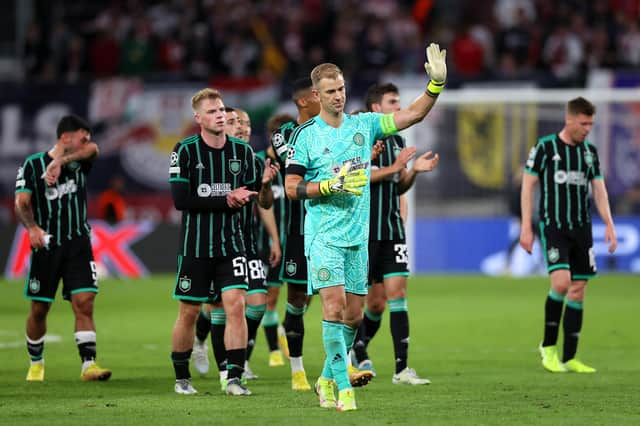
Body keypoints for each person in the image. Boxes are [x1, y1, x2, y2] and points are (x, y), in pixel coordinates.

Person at [285, 43, 447, 411]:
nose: (339, 96)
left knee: (354, 316)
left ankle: (325, 379)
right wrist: (328, 186)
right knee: (333, 306)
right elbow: (291, 187)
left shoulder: (364, 125)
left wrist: (435, 86)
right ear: (316, 95)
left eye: (341, 88)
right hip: (324, 234)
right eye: (330, 91)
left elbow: (412, 116)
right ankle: (344, 390)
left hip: (359, 236)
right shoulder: (306, 136)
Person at [169, 88, 278, 396]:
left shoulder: (243, 154)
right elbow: (181, 200)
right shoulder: (185, 151)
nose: (220, 115)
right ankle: (181, 378)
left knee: (236, 307)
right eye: (213, 112)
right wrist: (226, 199)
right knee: (189, 312)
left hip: (232, 245)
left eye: (221, 111)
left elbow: (262, 200)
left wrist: (266, 186)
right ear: (199, 118)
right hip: (196, 246)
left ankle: (233, 378)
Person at [520, 96, 617, 374]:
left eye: (591, 124)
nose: (587, 129)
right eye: (584, 123)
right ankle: (548, 347)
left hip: (582, 229)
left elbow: (599, 189)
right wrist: (526, 226)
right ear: (570, 119)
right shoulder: (545, 147)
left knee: (578, 289)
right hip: (554, 226)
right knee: (561, 284)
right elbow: (528, 186)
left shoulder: (590, 153)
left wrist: (609, 223)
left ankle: (570, 356)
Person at [350, 82, 439, 385]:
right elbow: (356, 178)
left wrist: (413, 171)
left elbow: (398, 185)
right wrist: (395, 169)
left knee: (395, 295)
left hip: (391, 228)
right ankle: (356, 350)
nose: (398, 108)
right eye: (393, 103)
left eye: (399, 102)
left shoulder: (397, 142)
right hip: (363, 231)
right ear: (376, 109)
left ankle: (402, 369)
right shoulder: (359, 137)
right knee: (365, 302)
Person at [15, 114, 112, 382]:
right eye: (83, 136)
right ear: (66, 136)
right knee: (39, 309)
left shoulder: (79, 162)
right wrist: (33, 228)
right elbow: (22, 203)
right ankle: (36, 362)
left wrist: (60, 161)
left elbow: (94, 150)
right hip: (47, 247)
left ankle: (88, 365)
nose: (87, 142)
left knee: (84, 302)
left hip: (78, 244)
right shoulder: (32, 165)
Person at [269, 77, 321, 391]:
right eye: (319, 94)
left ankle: (342, 366)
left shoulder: (335, 129)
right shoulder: (283, 135)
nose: (327, 98)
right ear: (304, 101)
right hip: (299, 230)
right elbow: (298, 164)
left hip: (333, 227)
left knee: (338, 299)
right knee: (297, 298)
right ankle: (298, 370)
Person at [259, 113, 295, 368]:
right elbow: (262, 205)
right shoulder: (261, 162)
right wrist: (274, 240)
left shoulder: (295, 163)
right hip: (268, 242)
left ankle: (284, 329)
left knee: (300, 294)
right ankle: (273, 349)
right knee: (270, 296)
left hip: (295, 239)